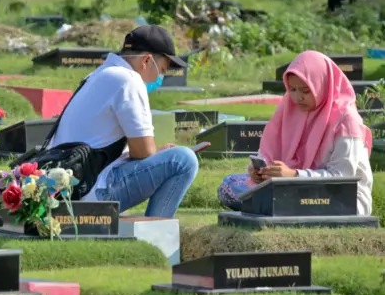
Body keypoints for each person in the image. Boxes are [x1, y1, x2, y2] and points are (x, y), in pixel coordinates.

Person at [46, 25, 199, 218]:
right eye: (162, 70)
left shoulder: (99, 74)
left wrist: (154, 152)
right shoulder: (129, 80)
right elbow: (143, 151)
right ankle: (156, 236)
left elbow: (102, 141)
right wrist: (154, 152)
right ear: (146, 61)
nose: (161, 77)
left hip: (70, 186)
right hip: (92, 192)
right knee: (184, 160)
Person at [218, 50, 373, 215]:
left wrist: (294, 175)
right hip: (291, 188)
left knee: (255, 198)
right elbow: (268, 156)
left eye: (306, 91)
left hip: (340, 199)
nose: (297, 97)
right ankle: (277, 206)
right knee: (228, 185)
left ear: (323, 84)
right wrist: (260, 173)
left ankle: (276, 207)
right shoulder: (290, 110)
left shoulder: (346, 120)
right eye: (292, 89)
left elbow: (342, 177)